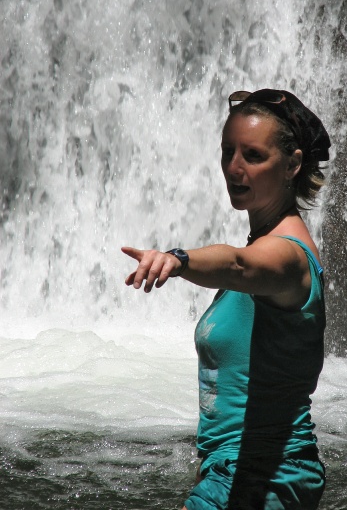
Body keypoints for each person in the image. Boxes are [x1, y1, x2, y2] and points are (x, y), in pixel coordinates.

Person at [122, 88, 331, 510]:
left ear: (292, 164)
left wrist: (178, 259)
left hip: (265, 474)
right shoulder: (264, 244)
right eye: (227, 152)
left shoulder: (288, 257)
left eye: (253, 156)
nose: (234, 168)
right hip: (237, 471)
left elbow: (237, 264)